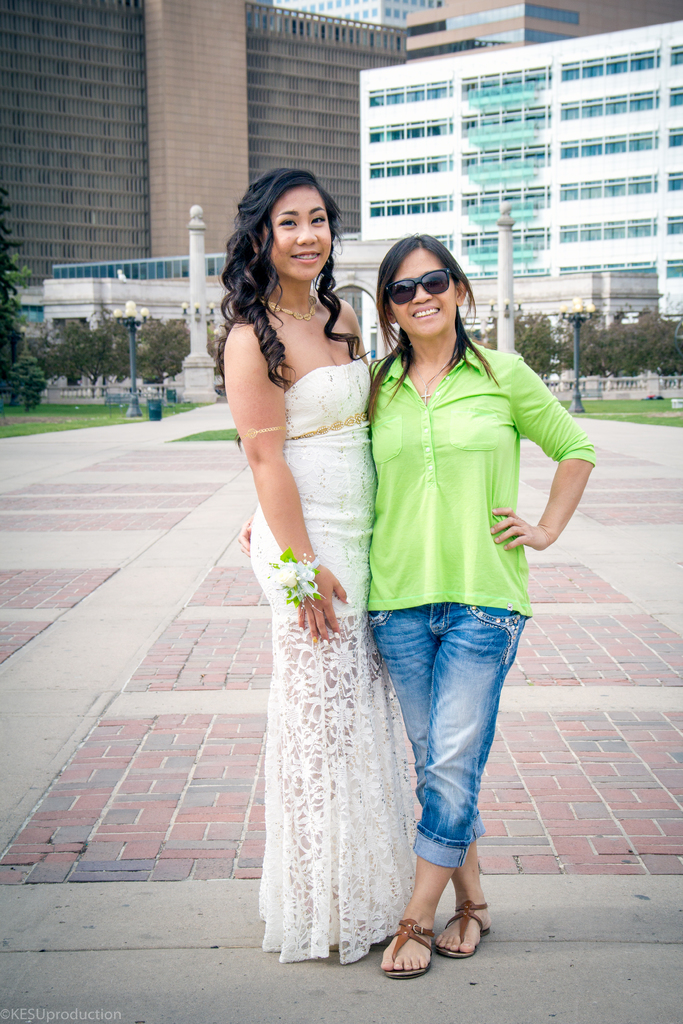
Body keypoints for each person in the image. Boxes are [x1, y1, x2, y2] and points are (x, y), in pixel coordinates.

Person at [366, 235, 595, 978]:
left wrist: (546, 528)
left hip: (485, 600)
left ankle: (415, 917)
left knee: (452, 761)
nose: (420, 297)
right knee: (434, 765)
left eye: (433, 281)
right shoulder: (375, 385)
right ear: (389, 307)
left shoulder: (504, 373)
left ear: (460, 290)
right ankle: (473, 901)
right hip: (396, 600)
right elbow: (324, 466)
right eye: (402, 289)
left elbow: (576, 448)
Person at [217, 168, 415, 966]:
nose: (307, 236)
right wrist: (299, 567)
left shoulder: (343, 315)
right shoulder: (248, 336)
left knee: (358, 718)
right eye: (289, 222)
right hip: (310, 553)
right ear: (261, 237)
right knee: (318, 725)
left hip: (360, 538)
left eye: (319, 220)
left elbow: (353, 427)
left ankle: (368, 890)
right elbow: (265, 458)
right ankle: (321, 906)